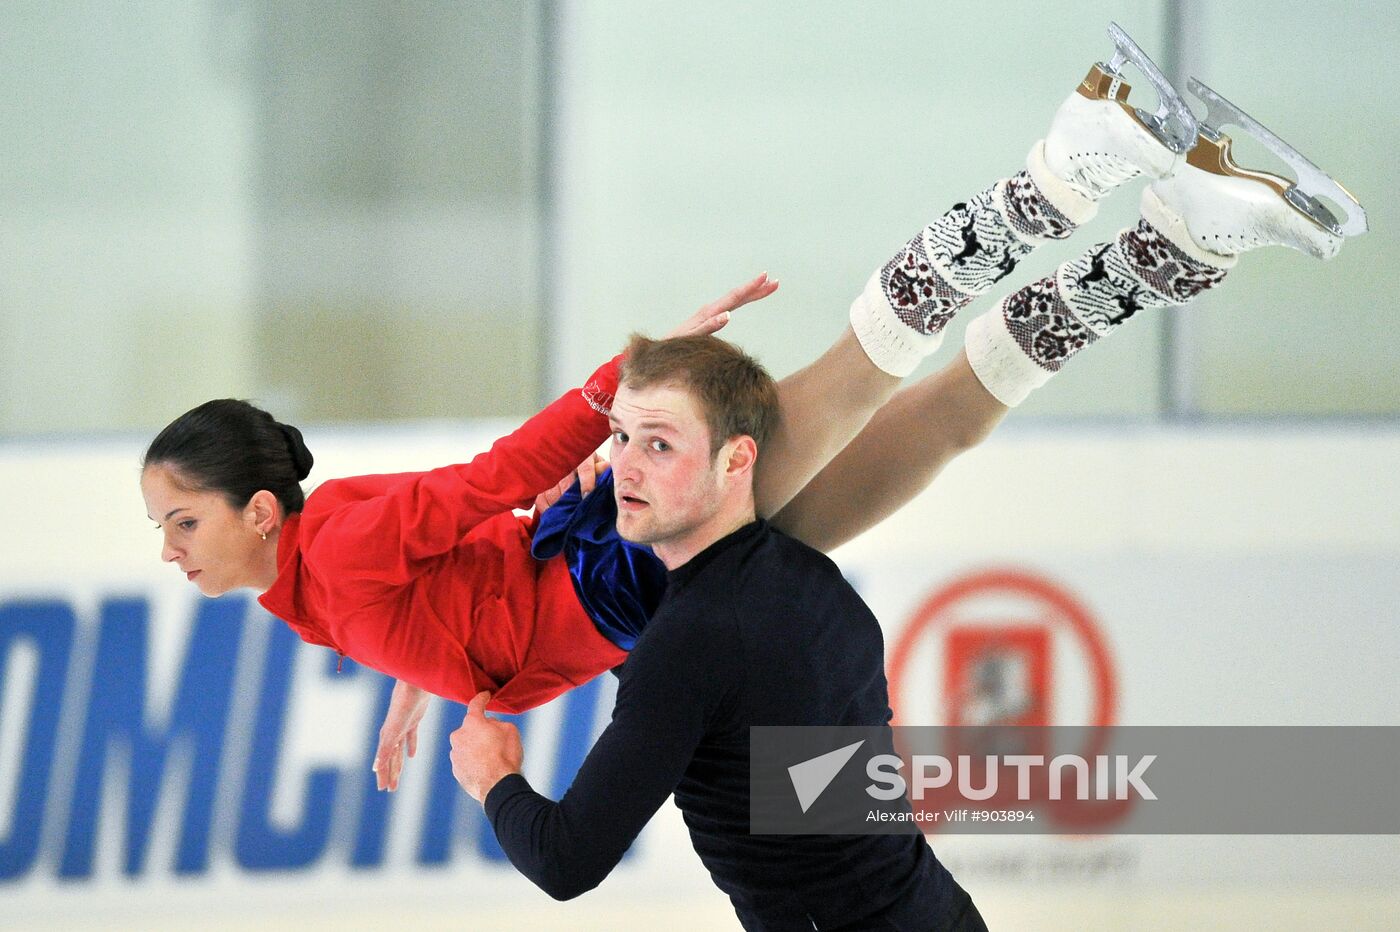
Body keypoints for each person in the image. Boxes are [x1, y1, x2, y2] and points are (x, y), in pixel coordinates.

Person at [445, 28, 1363, 930]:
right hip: (905, 896)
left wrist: (492, 775)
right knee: (943, 402)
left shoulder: (697, 634)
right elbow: (803, 796)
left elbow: (571, 856)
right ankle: (1167, 236)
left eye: (650, 445)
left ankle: (1087, 184)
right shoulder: (806, 588)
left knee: (879, 374)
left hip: (870, 872)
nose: (617, 469)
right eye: (620, 441)